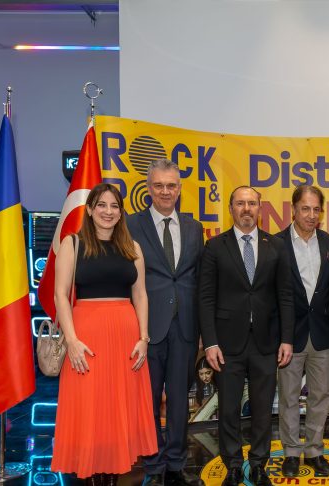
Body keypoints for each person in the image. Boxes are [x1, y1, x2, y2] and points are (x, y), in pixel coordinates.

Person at [51, 183, 157, 485]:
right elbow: (60, 295)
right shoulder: (72, 243)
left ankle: (113, 472)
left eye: (114, 206)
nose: (108, 212)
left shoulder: (133, 248)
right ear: (89, 210)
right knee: (91, 406)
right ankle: (92, 472)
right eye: (101, 205)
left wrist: (144, 338)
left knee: (118, 406)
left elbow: (141, 295)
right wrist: (72, 340)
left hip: (126, 338)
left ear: (121, 213)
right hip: (86, 337)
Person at [199, 186, 294, 486]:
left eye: (252, 203)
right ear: (231, 209)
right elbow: (206, 298)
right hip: (227, 344)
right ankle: (232, 465)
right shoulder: (215, 247)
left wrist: (287, 339)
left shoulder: (276, 246)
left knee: (263, 408)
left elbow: (286, 296)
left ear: (259, 208)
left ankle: (259, 464)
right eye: (240, 203)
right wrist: (210, 342)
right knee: (228, 408)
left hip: (266, 342)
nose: (246, 209)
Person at [126, 159, 205, 486]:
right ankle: (153, 465)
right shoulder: (130, 224)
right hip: (146, 327)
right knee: (147, 400)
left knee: (178, 400)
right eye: (158, 185)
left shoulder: (194, 227)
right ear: (148, 188)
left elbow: (198, 279)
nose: (165, 191)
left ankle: (176, 463)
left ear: (180, 188)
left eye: (171, 185)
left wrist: (202, 331)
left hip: (185, 326)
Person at [275, 185, 329, 478]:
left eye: (316, 209)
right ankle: (290, 452)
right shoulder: (276, 243)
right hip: (290, 335)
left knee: (321, 395)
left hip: (321, 333)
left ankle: (314, 451)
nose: (311, 215)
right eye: (305, 209)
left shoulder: (328, 242)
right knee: (288, 395)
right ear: (293, 210)